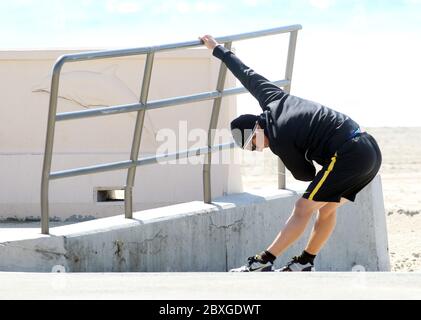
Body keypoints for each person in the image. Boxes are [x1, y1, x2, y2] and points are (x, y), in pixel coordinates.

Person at [199, 35, 382, 272]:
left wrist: (292, 151)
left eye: (252, 144)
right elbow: (246, 74)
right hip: (370, 150)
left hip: (348, 155)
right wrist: (218, 49)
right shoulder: (273, 99)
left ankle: (264, 260)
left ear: (256, 129)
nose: (256, 150)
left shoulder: (280, 139)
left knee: (302, 208)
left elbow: (305, 175)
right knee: (326, 208)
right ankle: (305, 262)